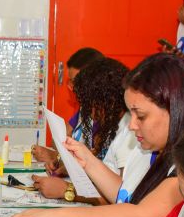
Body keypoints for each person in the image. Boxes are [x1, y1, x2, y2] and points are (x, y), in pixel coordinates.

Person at [3, 53, 184, 217]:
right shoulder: (148, 150)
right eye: (131, 114)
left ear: (176, 109)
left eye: (141, 116)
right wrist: (88, 161)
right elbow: (125, 195)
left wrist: (54, 214)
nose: (132, 124)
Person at [30, 57, 132, 203]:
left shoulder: (129, 132)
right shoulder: (111, 125)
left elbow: (119, 199)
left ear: (108, 100)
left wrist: (66, 190)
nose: (90, 114)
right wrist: (71, 168)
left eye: (91, 105)